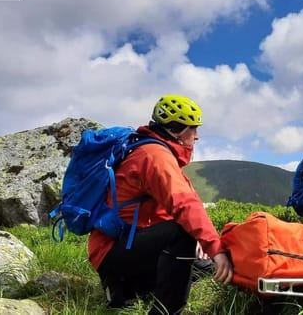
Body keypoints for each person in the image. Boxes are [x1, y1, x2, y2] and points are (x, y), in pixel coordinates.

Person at [87, 94, 233, 315]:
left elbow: (171, 207)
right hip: (113, 249)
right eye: (193, 129)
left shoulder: (156, 152)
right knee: (183, 236)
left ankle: (128, 288)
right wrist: (214, 246)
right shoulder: (154, 156)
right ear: (176, 130)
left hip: (131, 242)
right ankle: (165, 310)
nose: (197, 136)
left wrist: (204, 243)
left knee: (206, 265)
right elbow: (184, 203)